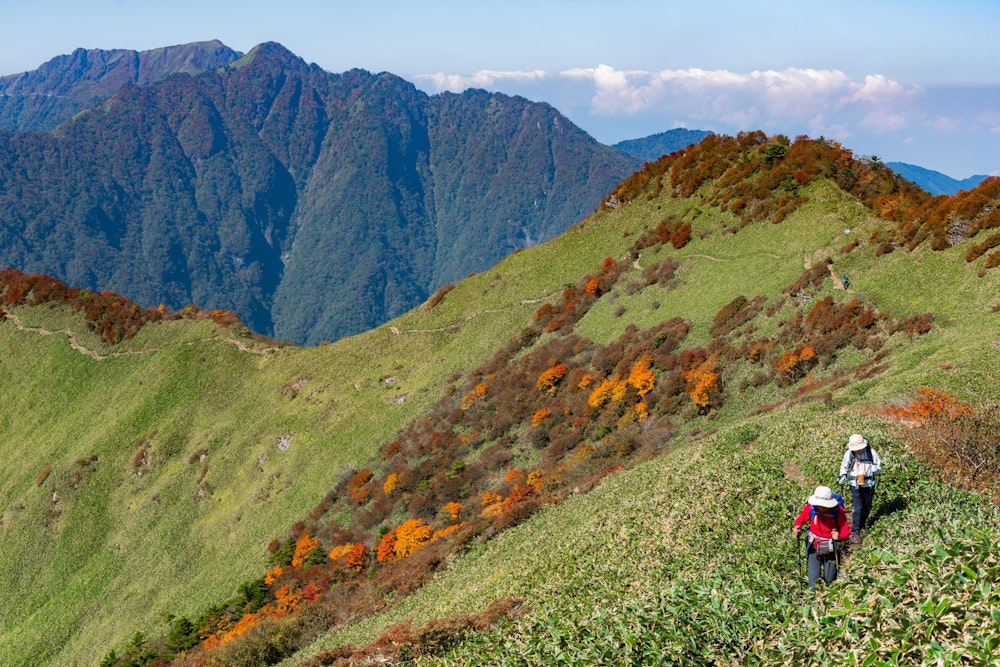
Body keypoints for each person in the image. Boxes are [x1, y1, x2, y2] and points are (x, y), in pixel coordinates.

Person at [793, 486, 850, 589]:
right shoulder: (811, 508)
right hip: (814, 547)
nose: (822, 507)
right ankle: (812, 600)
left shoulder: (838, 511)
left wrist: (839, 536)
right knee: (813, 580)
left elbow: (846, 531)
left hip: (831, 548)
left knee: (830, 580)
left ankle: (827, 600)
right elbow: (800, 519)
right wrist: (797, 527)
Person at [838, 433, 882, 544]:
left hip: (869, 484)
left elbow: (878, 467)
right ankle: (855, 532)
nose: (857, 451)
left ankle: (861, 524)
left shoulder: (872, 453)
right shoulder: (849, 454)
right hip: (855, 484)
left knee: (867, 507)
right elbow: (844, 466)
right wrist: (842, 475)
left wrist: (874, 469)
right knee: (859, 508)